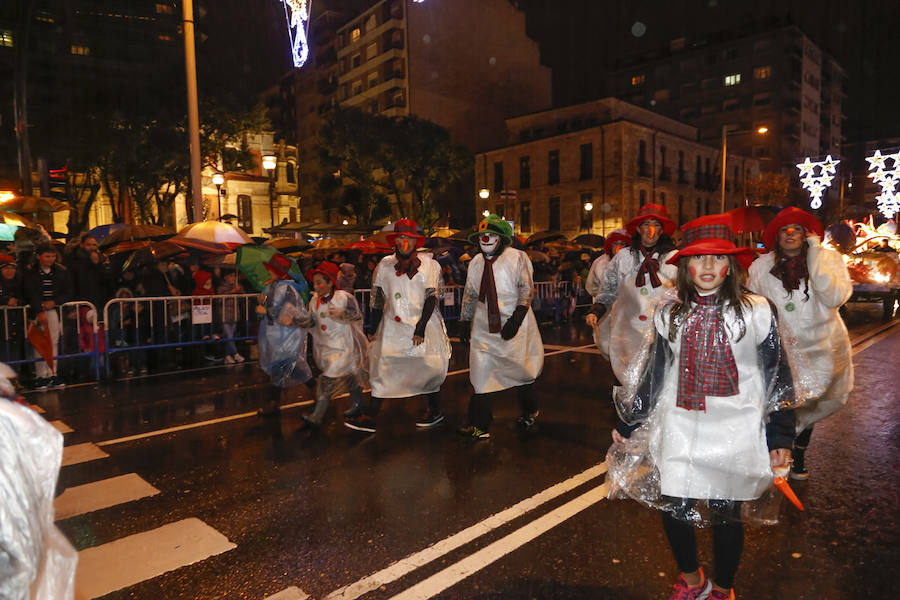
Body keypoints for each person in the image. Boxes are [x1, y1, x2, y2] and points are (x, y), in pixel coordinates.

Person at [607, 215, 796, 600]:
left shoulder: (757, 311)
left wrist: (780, 433)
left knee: (725, 513)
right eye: (699, 258)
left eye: (717, 258)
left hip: (735, 428)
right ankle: (693, 580)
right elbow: (654, 373)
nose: (708, 267)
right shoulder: (669, 312)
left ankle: (723, 589)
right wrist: (629, 421)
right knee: (674, 505)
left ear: (731, 267)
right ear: (685, 267)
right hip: (679, 422)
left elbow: (779, 375)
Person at [748, 207, 853, 481]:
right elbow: (753, 304)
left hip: (820, 347)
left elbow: (834, 298)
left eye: (797, 229)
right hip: (779, 347)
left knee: (810, 401)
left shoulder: (829, 260)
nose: (791, 234)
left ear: (807, 234)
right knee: (782, 402)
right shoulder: (761, 266)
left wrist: (816, 254)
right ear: (777, 236)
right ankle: (780, 451)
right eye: (784, 229)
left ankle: (800, 451)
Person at [346, 219, 450, 434]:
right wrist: (373, 328)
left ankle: (435, 409)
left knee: (427, 366)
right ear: (395, 240)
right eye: (401, 238)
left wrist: (421, 327)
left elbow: (432, 297)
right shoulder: (384, 265)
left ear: (415, 241)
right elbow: (376, 299)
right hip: (393, 327)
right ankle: (371, 415)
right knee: (385, 367)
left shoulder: (429, 265)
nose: (405, 242)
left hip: (423, 326)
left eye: (409, 238)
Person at [457, 214, 544, 439]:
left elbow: (526, 289)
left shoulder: (517, 257)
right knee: (480, 373)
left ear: (501, 238)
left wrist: (516, 318)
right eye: (482, 235)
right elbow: (470, 294)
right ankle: (480, 424)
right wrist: (465, 322)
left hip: (514, 323)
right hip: (484, 327)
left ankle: (530, 409)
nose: (486, 238)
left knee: (520, 371)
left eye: (492, 234)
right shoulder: (475, 262)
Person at [586, 204, 678, 381]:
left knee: (658, 380)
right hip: (627, 332)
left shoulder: (675, 258)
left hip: (661, 332)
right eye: (646, 224)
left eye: (656, 224)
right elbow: (608, 290)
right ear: (638, 228)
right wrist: (596, 310)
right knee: (625, 378)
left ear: (662, 230)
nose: (651, 230)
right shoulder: (623, 257)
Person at [295, 261, 369, 429]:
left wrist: (343, 314)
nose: (316, 286)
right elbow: (311, 321)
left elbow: (357, 317)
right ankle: (359, 406)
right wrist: (296, 320)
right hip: (325, 348)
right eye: (314, 283)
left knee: (327, 379)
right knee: (350, 376)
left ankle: (317, 416)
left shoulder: (344, 298)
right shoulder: (315, 300)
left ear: (330, 282)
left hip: (344, 346)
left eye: (320, 282)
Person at [255, 254, 312, 417]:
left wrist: (267, 311)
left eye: (270, 269)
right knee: (283, 368)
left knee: (286, 366)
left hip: (286, 336)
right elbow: (265, 312)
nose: (267, 272)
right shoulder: (269, 287)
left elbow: (289, 313)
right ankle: (318, 392)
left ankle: (274, 404)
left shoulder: (288, 289)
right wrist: (261, 306)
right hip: (274, 336)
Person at [23, 245, 73, 390]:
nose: (50, 259)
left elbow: (69, 291)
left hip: (53, 310)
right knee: (39, 343)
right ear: (39, 256)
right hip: (36, 311)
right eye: (47, 256)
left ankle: (53, 373)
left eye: (52, 256)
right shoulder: (30, 273)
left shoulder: (61, 272)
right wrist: (39, 309)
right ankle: (41, 375)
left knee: (54, 342)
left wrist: (55, 302)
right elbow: (30, 293)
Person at [63, 233, 111, 317]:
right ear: (82, 245)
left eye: (94, 245)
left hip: (98, 302)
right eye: (88, 245)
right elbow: (71, 282)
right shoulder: (74, 260)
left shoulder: (101, 259)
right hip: (81, 302)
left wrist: (97, 264)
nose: (92, 247)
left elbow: (105, 279)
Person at [216, 267, 246, 364]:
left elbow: (244, 298)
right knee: (229, 336)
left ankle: (227, 356)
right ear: (225, 277)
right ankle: (236, 353)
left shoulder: (238, 286)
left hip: (235, 314)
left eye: (235, 276)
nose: (233, 278)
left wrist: (240, 291)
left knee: (231, 336)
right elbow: (219, 300)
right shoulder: (221, 288)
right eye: (231, 276)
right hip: (224, 315)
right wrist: (232, 292)